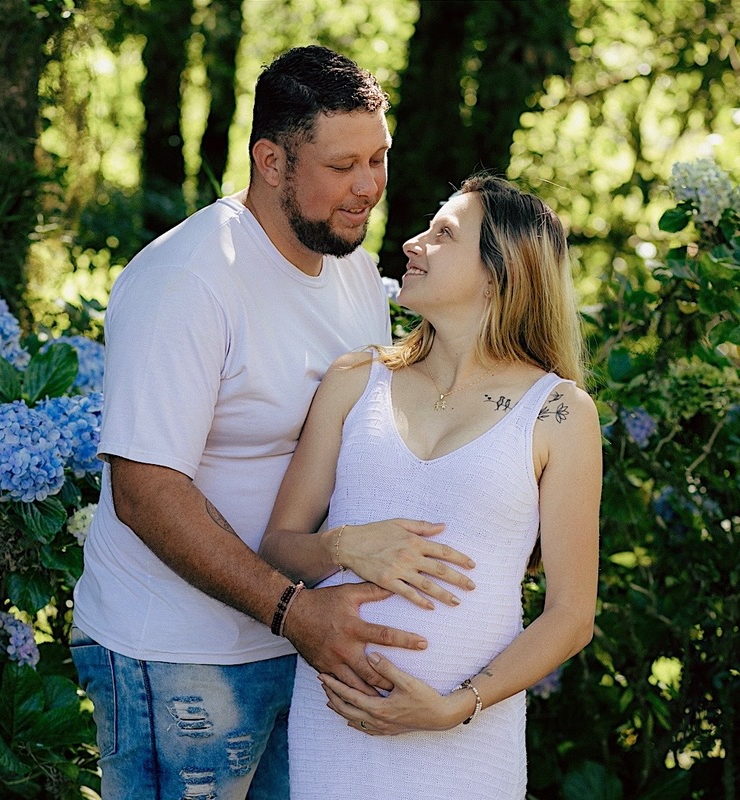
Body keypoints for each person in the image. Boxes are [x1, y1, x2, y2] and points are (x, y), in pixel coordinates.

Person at [69, 46, 474, 800]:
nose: (368, 189)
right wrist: (296, 613)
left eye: (378, 159)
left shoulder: (346, 256)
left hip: (306, 643)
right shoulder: (187, 282)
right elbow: (145, 491)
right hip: (180, 657)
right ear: (271, 161)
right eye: (342, 165)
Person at [259, 174, 602, 799]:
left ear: (502, 271)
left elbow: (572, 617)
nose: (413, 243)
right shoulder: (354, 379)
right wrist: (342, 547)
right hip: (339, 730)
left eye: (444, 234)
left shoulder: (559, 414)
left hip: (469, 746)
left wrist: (454, 708)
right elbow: (279, 545)